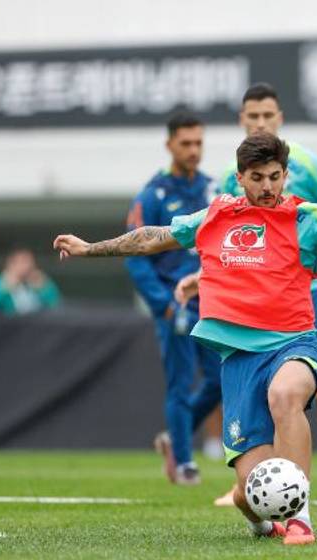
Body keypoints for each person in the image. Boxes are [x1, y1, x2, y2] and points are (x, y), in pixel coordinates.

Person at [54, 133, 317, 546]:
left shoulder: (309, 218)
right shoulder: (217, 215)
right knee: (249, 492)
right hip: (239, 361)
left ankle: (300, 518)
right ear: (240, 177)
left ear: (285, 175)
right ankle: (261, 520)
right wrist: (90, 248)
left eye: (275, 176)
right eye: (257, 178)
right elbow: (154, 237)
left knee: (286, 395)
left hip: (293, 343)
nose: (267, 186)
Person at [215, 83, 317, 506]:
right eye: (253, 116)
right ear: (242, 120)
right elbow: (218, 238)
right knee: (259, 393)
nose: (260, 122)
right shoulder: (230, 176)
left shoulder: (309, 165)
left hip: (308, 294)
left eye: (268, 115)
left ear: (279, 118)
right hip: (253, 306)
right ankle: (257, 482)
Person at [125, 113, 223, 485]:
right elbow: (136, 256)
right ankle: (183, 462)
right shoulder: (153, 194)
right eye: (185, 143)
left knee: (219, 380)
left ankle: (173, 437)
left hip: (212, 302)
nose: (193, 150)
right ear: (169, 145)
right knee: (180, 384)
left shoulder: (213, 189)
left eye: (198, 142)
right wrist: (162, 304)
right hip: (174, 303)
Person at [0, 248, 60, 315]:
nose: (27, 266)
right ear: (11, 264)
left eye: (29, 262)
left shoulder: (39, 281)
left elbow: (56, 305)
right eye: (22, 262)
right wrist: (4, 289)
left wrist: (44, 288)